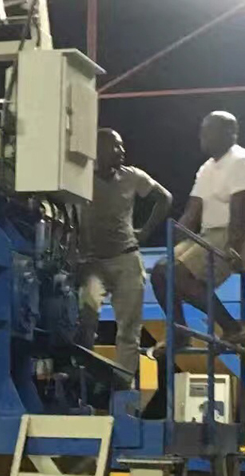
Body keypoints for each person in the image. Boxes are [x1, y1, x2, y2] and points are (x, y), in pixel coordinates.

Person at [150, 111, 245, 347]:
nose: (202, 136)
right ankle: (180, 333)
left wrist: (233, 249)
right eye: (202, 131)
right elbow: (192, 212)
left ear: (230, 134)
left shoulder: (243, 162)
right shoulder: (206, 168)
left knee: (179, 273)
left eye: (209, 131)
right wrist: (173, 245)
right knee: (160, 272)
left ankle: (232, 328)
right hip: (212, 234)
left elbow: (240, 213)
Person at [77, 128, 172, 377]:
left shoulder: (132, 176)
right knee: (85, 321)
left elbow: (164, 198)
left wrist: (145, 231)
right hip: (92, 262)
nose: (122, 150)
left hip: (126, 259)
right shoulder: (80, 176)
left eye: (121, 145)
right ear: (98, 149)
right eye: (116, 146)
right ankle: (82, 377)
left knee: (129, 329)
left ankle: (123, 381)